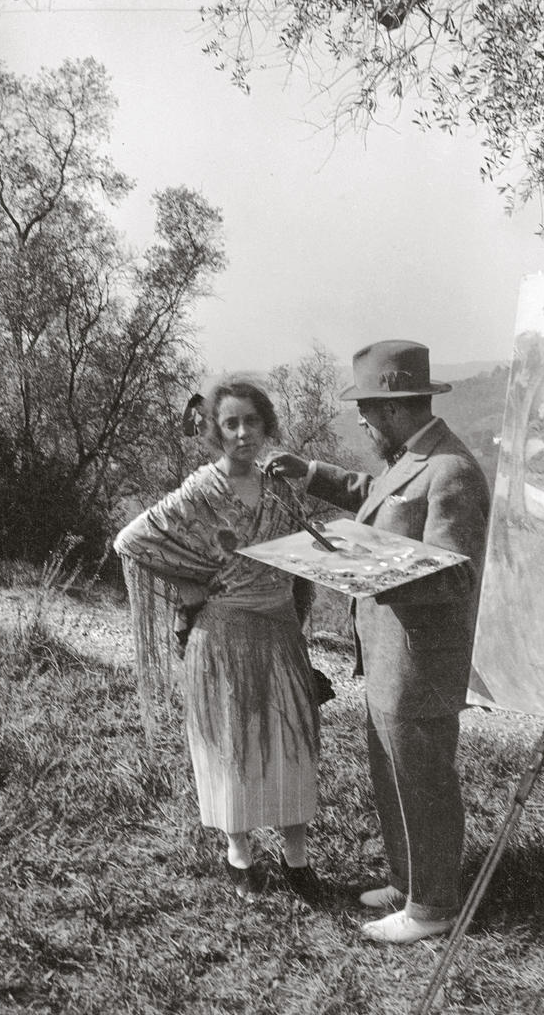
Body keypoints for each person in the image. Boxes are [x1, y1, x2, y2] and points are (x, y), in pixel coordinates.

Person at [264, 340, 490, 944]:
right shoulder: (414, 457)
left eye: (366, 411)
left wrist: (371, 571)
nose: (362, 422)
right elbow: (379, 496)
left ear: (391, 410)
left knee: (422, 780)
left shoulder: (454, 471)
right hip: (391, 656)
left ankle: (434, 906)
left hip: (420, 662)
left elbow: (458, 574)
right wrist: (311, 475)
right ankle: (407, 879)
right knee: (391, 772)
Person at [114, 378, 322, 904]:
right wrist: (192, 580)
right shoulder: (201, 491)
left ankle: (296, 861)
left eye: (251, 421)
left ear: (266, 425)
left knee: (291, 745)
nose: (242, 433)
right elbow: (133, 539)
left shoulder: (280, 488)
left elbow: (305, 559)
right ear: (215, 431)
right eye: (230, 423)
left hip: (280, 632)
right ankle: (240, 857)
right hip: (224, 634)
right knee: (233, 747)